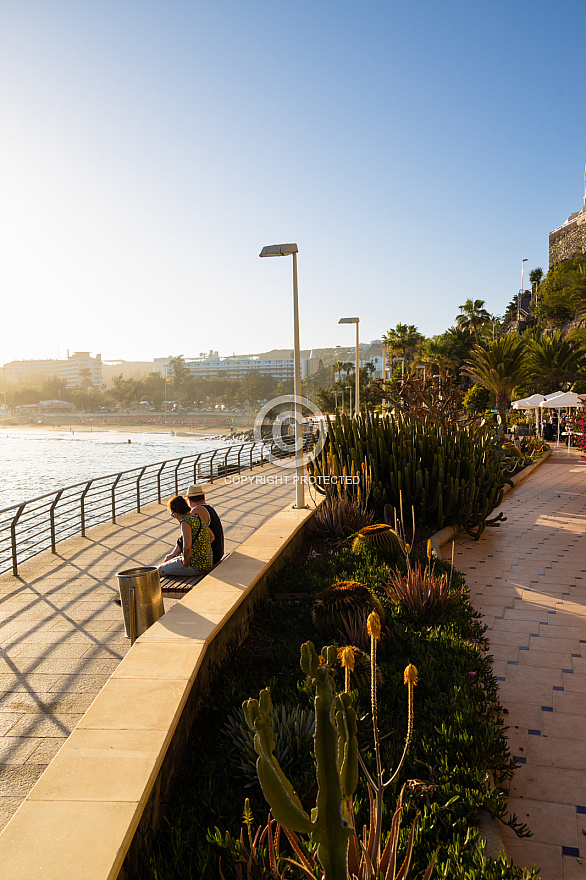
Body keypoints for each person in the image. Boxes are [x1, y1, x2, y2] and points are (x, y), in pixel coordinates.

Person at [159, 495, 213, 577]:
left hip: (195, 566)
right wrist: (199, 549)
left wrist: (185, 562)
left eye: (173, 515)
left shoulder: (185, 522)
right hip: (207, 563)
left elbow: (187, 546)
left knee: (158, 570)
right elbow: (212, 537)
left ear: (176, 512)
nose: (174, 517)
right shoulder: (197, 517)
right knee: (168, 563)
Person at [185, 484, 225, 565]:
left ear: (189, 500)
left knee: (164, 568)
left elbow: (188, 538)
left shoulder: (196, 511)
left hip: (210, 557)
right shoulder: (209, 508)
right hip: (218, 553)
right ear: (203, 497)